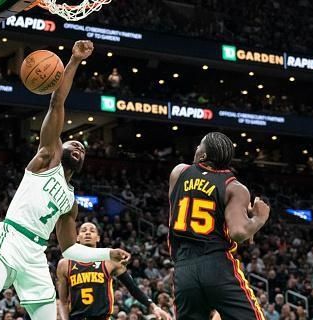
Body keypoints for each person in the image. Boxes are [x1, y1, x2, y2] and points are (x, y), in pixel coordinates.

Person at [0, 40, 130, 320]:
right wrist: (73, 60)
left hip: (36, 253)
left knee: (46, 316)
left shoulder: (71, 202)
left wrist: (107, 253)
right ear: (61, 148)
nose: (79, 147)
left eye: (83, 148)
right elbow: (57, 101)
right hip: (11, 238)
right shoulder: (47, 158)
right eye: (72, 143)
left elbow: (70, 249)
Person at [168, 132, 270, 320]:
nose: (196, 148)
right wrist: (258, 219)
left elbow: (184, 202)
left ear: (204, 155)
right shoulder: (234, 187)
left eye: (199, 145)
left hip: (183, 269)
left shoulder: (178, 172)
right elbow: (239, 233)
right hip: (216, 264)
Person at [57, 222, 171, 320]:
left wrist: (154, 307)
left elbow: (133, 288)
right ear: (77, 237)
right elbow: (63, 302)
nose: (87, 233)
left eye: (92, 230)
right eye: (83, 230)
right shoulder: (65, 264)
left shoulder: (109, 261)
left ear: (98, 237)